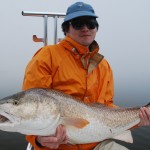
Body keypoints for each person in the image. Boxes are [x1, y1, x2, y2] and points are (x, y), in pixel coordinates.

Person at [22, 2, 150, 150]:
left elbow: (107, 108)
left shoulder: (104, 66)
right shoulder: (47, 56)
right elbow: (32, 105)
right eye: (78, 24)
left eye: (91, 24)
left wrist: (138, 119)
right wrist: (39, 140)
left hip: (97, 143)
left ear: (96, 28)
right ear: (66, 29)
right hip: (59, 147)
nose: (85, 29)